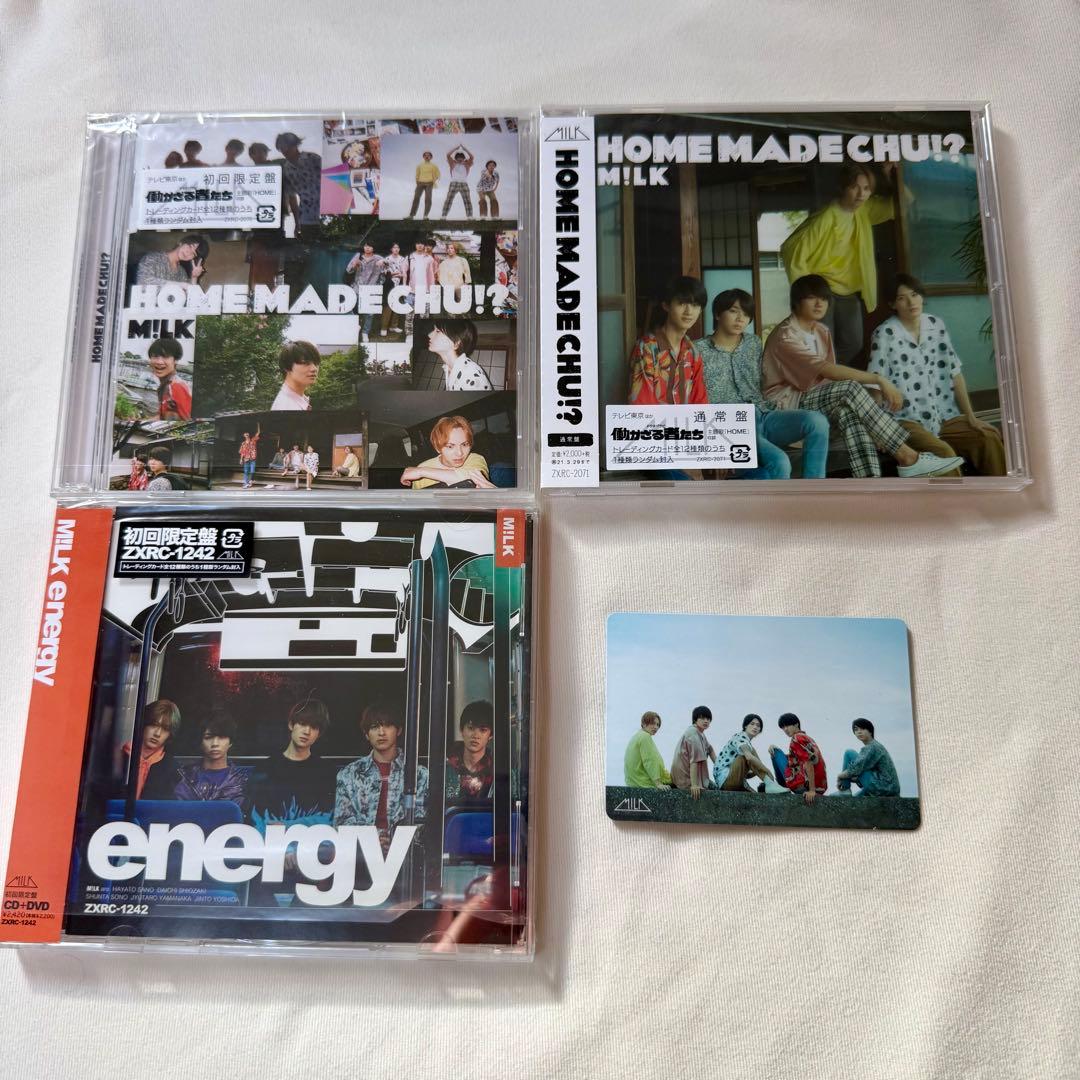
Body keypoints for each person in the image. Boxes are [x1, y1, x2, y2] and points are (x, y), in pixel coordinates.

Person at [762, 275, 965, 478]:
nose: (819, 304)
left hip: (815, 403)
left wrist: (874, 427)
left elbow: (829, 382)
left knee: (847, 412)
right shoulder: (785, 335)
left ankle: (871, 481)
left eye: (823, 298)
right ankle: (908, 456)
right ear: (797, 301)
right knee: (850, 388)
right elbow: (826, 370)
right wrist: (878, 379)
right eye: (811, 298)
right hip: (786, 408)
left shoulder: (821, 331)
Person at [868, 273, 1006, 476]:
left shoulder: (935, 324)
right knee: (944, 454)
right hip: (905, 420)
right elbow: (875, 385)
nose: (911, 302)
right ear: (892, 304)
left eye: (914, 294)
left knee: (987, 437)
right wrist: (879, 432)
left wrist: (971, 417)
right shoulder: (885, 334)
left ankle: (1000, 493)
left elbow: (955, 373)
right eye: (902, 298)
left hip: (942, 415)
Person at [780, 161, 911, 363]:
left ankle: (829, 373)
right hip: (823, 290)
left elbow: (905, 202)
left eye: (866, 188)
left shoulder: (864, 211)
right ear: (843, 187)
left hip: (848, 290)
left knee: (853, 343)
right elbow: (791, 249)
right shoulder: (826, 218)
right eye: (854, 187)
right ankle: (824, 376)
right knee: (822, 343)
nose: (861, 194)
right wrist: (807, 293)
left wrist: (889, 176)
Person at [695, 288, 829, 479]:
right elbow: (694, 401)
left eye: (746, 314)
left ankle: (814, 488)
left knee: (817, 421)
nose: (740, 319)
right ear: (717, 314)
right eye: (733, 311)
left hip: (763, 415)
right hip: (730, 425)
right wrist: (717, 445)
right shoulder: (698, 350)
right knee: (779, 462)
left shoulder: (754, 343)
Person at [334, 702, 429, 852]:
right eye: (374, 727)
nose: (381, 732)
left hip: (406, 854)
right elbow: (341, 821)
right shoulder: (349, 774)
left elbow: (423, 820)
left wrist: (396, 839)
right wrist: (373, 839)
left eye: (388, 725)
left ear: (399, 730)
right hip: (360, 854)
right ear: (366, 734)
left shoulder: (419, 774)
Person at [248, 697, 335, 830]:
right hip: (271, 839)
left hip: (312, 839)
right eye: (302, 723)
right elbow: (255, 817)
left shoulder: (326, 771)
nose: (307, 731)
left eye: (314, 727)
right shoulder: (265, 768)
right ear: (291, 725)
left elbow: (330, 817)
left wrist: (289, 826)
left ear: (319, 734)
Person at [628, 276, 708, 405]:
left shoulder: (692, 351)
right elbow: (643, 405)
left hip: (688, 419)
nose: (689, 312)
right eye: (682, 303)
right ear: (666, 305)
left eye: (695, 305)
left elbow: (700, 402)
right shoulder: (647, 348)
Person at [172, 712, 251, 811]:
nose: (215, 743)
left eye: (221, 737)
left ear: (230, 742)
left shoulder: (241, 781)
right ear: (200, 741)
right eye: (208, 737)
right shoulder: (184, 777)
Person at [400, 414, 494, 489]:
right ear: (437, 447)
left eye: (464, 444)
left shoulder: (475, 459)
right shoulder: (422, 467)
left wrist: (421, 472)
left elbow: (472, 480)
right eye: (450, 446)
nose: (459, 453)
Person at [713, 714, 788, 793]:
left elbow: (746, 773)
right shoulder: (740, 737)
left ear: (760, 730)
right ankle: (770, 783)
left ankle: (770, 783)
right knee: (749, 754)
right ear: (745, 726)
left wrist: (756, 772)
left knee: (757, 795)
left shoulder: (746, 743)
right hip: (725, 780)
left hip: (731, 780)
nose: (755, 727)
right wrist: (767, 771)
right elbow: (748, 757)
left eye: (758, 726)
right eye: (752, 724)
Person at [123, 699, 181, 799]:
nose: (157, 733)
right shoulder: (121, 756)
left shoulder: (172, 768)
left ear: (170, 735)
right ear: (144, 724)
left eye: (165, 729)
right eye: (154, 725)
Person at [768, 713, 827, 805]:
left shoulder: (796, 738)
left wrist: (811, 790)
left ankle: (781, 788)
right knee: (776, 750)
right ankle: (780, 787)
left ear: (796, 724)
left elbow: (808, 762)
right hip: (820, 787)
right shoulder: (807, 738)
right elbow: (798, 760)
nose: (785, 729)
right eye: (783, 727)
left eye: (787, 725)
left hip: (803, 786)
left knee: (775, 752)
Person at [445, 700, 495, 804]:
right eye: (471, 728)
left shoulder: (495, 769)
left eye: (483, 730)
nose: (475, 735)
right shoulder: (445, 765)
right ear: (461, 730)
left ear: (490, 735)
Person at [835, 718, 901, 797]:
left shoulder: (872, 747)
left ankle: (845, 789)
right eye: (856, 729)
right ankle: (845, 791)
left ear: (870, 731)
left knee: (849, 753)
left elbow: (855, 769)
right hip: (888, 788)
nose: (859, 732)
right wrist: (849, 777)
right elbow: (860, 771)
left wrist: (840, 776)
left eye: (862, 729)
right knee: (853, 799)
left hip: (882, 787)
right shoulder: (876, 746)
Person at [274, 132, 322, 237]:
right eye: (281, 148)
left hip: (325, 213)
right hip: (306, 217)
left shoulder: (313, 158)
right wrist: (297, 223)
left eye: (286, 146)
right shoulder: (286, 169)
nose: (284, 150)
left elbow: (331, 181)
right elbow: (292, 196)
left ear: (295, 144)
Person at [425, 319, 492, 391]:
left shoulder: (471, 374)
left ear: (456, 343)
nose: (429, 335)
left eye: (438, 331)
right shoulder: (449, 367)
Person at [670, 705, 716, 800]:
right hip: (685, 779)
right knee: (717, 789)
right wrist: (694, 785)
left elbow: (710, 749)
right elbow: (694, 761)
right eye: (702, 718)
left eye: (708, 719)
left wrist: (719, 766)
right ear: (695, 719)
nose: (706, 721)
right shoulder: (693, 733)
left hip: (688, 776)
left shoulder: (700, 733)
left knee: (715, 786)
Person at [145, 337, 192, 420]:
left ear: (175, 360)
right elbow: (162, 417)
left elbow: (177, 422)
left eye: (165, 357)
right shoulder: (166, 385)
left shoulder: (175, 387)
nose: (159, 362)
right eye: (155, 356)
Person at [135, 234, 208, 288]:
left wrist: (194, 277)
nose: (188, 252)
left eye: (193, 254)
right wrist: (180, 285)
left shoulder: (181, 272)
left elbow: (189, 295)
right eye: (190, 246)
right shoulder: (153, 258)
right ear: (181, 242)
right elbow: (143, 281)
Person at [346, 242, 386, 341]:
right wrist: (355, 265)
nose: (367, 248)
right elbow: (348, 270)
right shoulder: (358, 256)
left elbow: (389, 267)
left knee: (369, 313)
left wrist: (384, 261)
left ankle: (365, 332)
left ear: (373, 248)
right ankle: (356, 326)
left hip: (371, 289)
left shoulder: (378, 258)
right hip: (357, 287)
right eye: (366, 246)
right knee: (349, 307)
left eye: (370, 246)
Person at [623, 711, 671, 789]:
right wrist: (658, 783)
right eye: (653, 723)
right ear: (644, 724)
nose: (656, 727)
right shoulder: (645, 737)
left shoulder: (636, 736)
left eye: (658, 725)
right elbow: (650, 761)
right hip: (644, 783)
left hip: (633, 783)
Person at [272, 340, 320, 410]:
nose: (314, 368)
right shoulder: (286, 407)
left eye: (316, 363)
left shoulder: (298, 400)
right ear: (287, 367)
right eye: (305, 363)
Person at [404, 239, 437, 338]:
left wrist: (431, 290)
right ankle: (409, 334)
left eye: (422, 243)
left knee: (424, 316)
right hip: (411, 291)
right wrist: (404, 287)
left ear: (424, 245)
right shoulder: (409, 257)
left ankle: (422, 335)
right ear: (415, 244)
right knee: (409, 314)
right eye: (418, 243)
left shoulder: (429, 259)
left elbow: (431, 276)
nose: (420, 245)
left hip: (425, 291)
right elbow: (404, 272)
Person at [380, 242, 407, 336]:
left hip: (399, 283)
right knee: (388, 305)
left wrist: (400, 275)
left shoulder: (403, 259)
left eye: (397, 247)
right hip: (389, 284)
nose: (396, 249)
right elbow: (383, 272)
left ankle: (393, 326)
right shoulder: (387, 259)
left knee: (397, 304)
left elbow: (405, 272)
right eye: (394, 247)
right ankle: (384, 327)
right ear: (391, 249)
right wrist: (394, 274)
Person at [442, 144, 475, 218]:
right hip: (454, 183)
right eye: (458, 158)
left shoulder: (467, 165)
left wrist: (464, 149)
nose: (460, 159)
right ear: (456, 159)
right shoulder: (453, 164)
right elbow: (448, 155)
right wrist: (456, 148)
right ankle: (444, 215)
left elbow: (472, 157)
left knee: (467, 200)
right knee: (449, 199)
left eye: (461, 158)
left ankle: (470, 216)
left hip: (464, 183)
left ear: (463, 159)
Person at [407, 150, 441, 218]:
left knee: (428, 199)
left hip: (429, 183)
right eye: (425, 155)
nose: (427, 156)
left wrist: (433, 180)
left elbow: (438, 174)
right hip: (420, 183)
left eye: (428, 155)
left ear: (431, 157)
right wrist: (417, 182)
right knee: (416, 198)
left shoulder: (434, 166)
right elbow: (417, 174)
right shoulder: (419, 165)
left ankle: (425, 215)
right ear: (423, 157)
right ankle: (411, 215)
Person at [238, 423, 260, 488]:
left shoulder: (253, 440)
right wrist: (241, 459)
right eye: (245, 434)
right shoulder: (243, 443)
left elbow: (258, 433)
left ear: (249, 435)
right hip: (246, 459)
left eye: (247, 434)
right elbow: (242, 452)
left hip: (253, 459)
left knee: (252, 471)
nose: (246, 435)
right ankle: (246, 483)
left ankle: (250, 481)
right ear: (244, 435)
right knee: (246, 471)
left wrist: (258, 424)